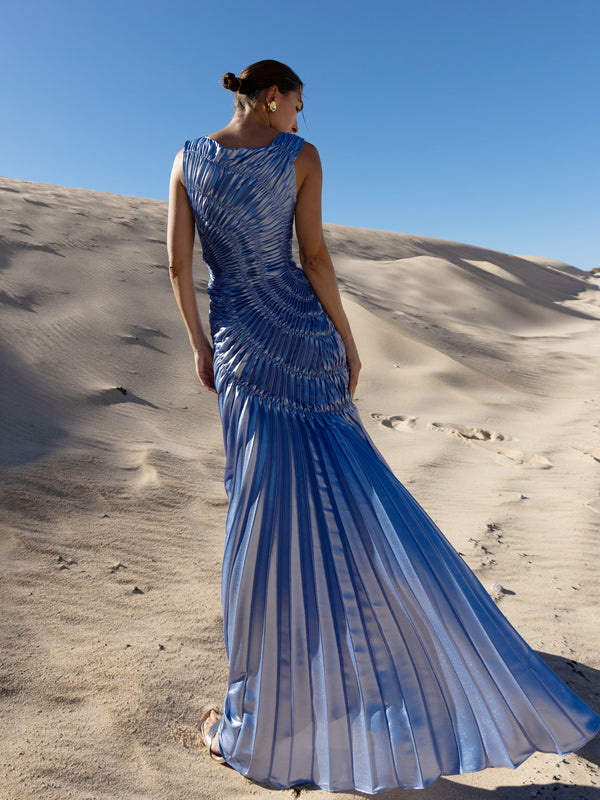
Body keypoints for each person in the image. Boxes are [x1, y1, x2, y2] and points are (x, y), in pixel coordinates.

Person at [167, 59, 600, 794]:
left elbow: (178, 266)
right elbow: (313, 256)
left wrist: (202, 347)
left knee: (260, 516)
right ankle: (403, 657)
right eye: (299, 105)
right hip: (301, 341)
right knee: (352, 495)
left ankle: (262, 714)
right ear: (271, 101)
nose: (303, 119)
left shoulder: (186, 158)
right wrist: (348, 337)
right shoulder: (299, 158)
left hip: (239, 344)